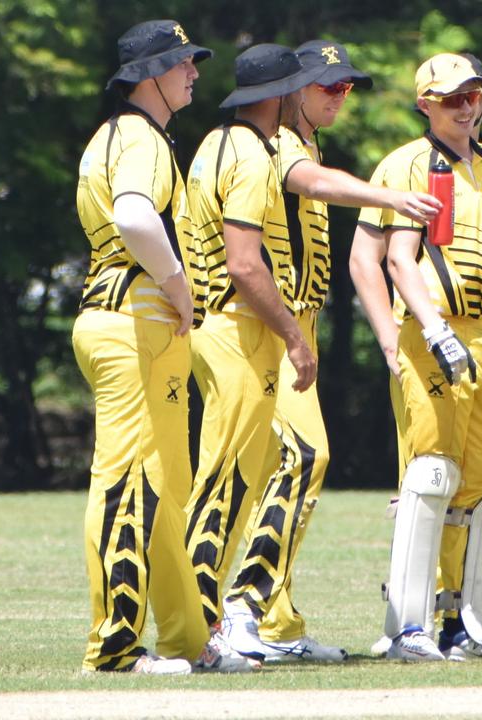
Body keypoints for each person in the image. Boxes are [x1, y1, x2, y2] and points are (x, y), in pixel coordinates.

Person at [219, 40, 441, 664]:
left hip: (298, 324)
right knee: (303, 457)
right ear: (292, 90)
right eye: (327, 87)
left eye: (347, 87)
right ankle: (239, 607)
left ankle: (276, 623)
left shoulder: (305, 138)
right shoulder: (283, 145)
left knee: (286, 470)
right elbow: (307, 182)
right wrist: (386, 196)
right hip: (269, 326)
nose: (340, 96)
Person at [72, 19, 252, 674]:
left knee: (166, 492)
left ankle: (188, 641)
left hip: (127, 327)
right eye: (182, 64)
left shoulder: (109, 137)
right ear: (150, 75)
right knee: (129, 486)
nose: (194, 72)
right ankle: (115, 650)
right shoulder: (143, 138)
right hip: (135, 327)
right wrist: (179, 287)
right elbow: (133, 216)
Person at [352, 53, 482, 661]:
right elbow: (388, 259)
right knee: (430, 475)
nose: (466, 106)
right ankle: (407, 623)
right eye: (452, 98)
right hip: (435, 336)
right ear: (425, 102)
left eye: (474, 95)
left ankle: (466, 623)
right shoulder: (405, 164)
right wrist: (408, 335)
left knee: (481, 481)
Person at [181, 43, 320, 635]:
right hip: (237, 330)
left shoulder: (215, 142)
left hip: (213, 327)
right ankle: (200, 626)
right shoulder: (253, 156)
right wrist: (294, 335)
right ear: (283, 96)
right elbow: (245, 264)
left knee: (229, 479)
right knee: (223, 484)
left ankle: (203, 623)